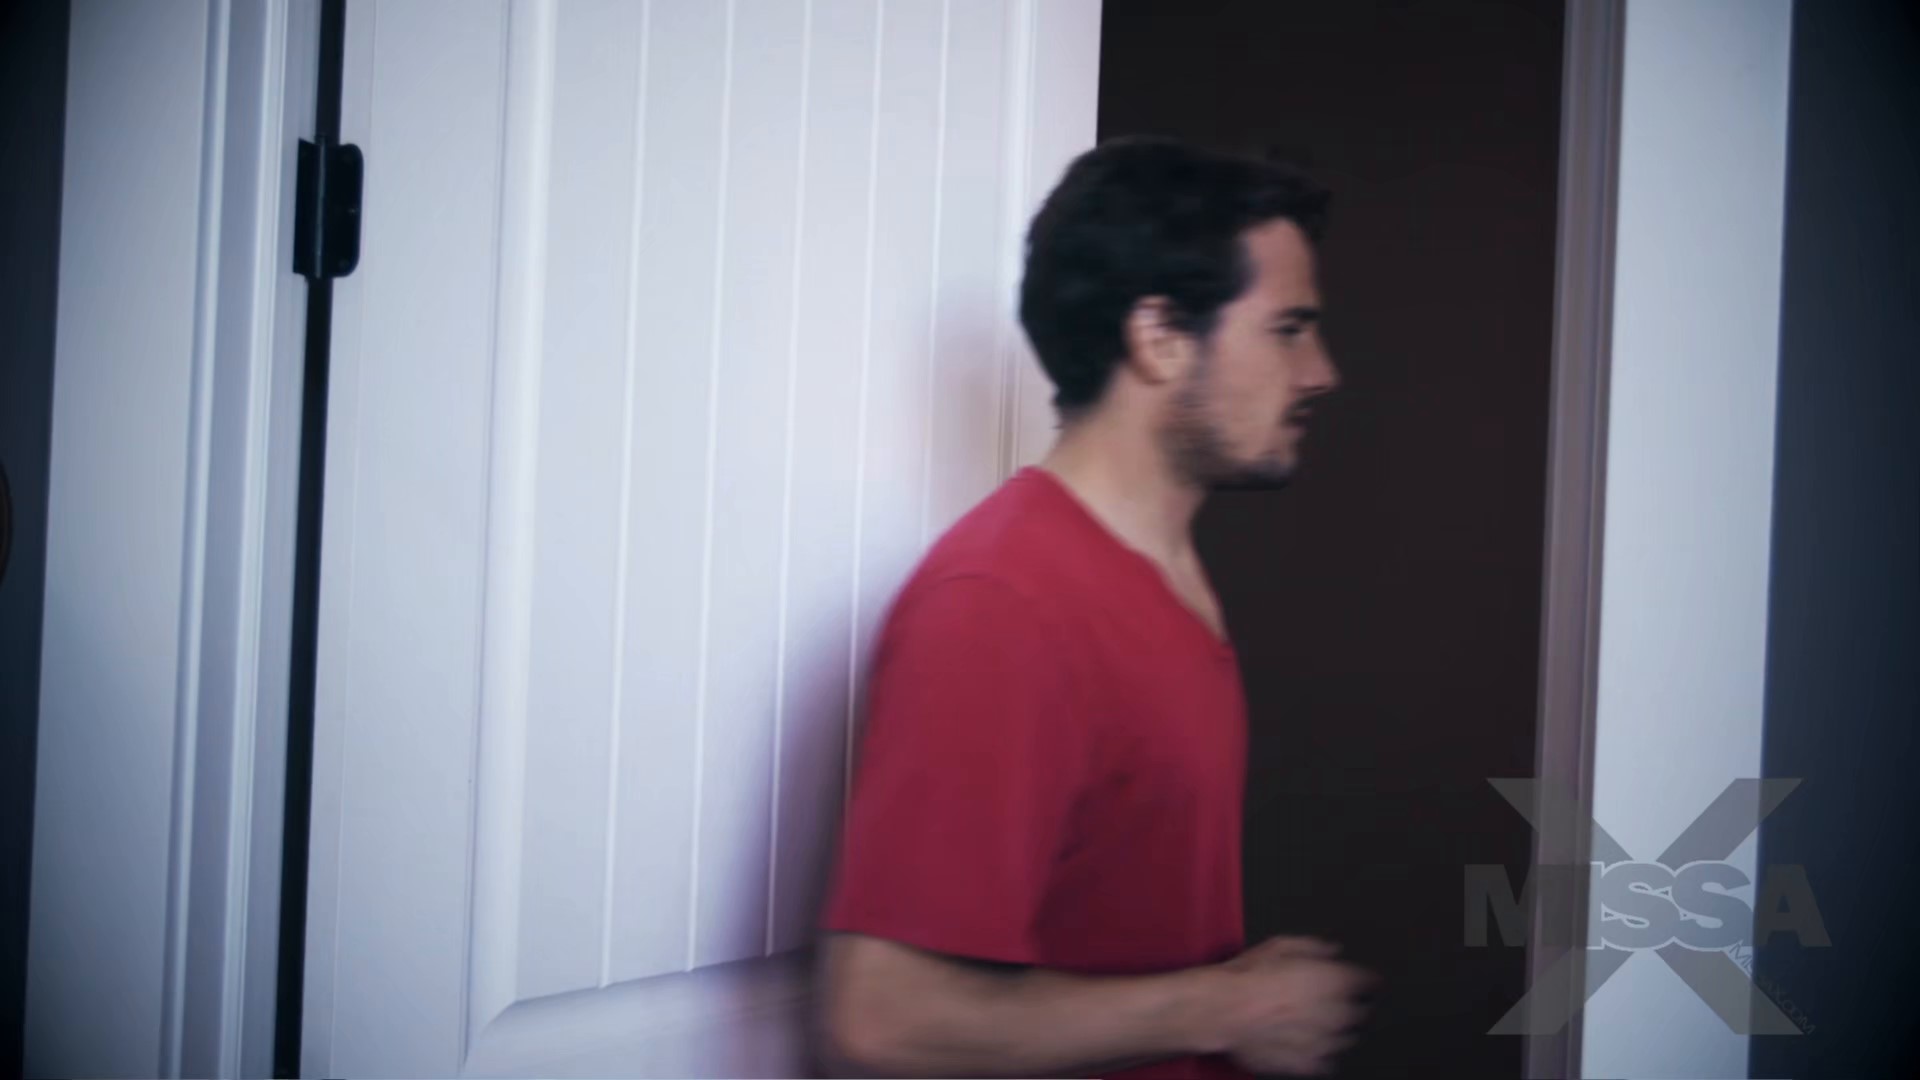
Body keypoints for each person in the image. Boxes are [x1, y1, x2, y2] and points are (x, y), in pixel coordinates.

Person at [816, 136, 1370, 1079]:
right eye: (1287, 328)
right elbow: (883, 1019)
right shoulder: (1003, 606)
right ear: (1159, 338)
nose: (1321, 371)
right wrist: (1228, 1006)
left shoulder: (1162, 572)